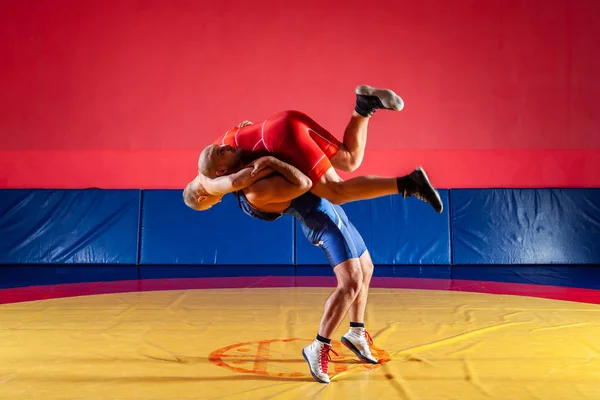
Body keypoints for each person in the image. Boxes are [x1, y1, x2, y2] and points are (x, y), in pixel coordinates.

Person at [201, 152, 384, 384]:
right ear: (222, 173)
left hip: (332, 210)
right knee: (351, 282)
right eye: (220, 152)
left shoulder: (246, 163)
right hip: (320, 221)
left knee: (366, 268)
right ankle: (318, 346)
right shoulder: (252, 191)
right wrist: (272, 161)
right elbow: (304, 182)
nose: (226, 146)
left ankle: (356, 333)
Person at [185, 85, 443, 213]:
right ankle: (365, 105)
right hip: (286, 118)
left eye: (212, 203)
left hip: (283, 138)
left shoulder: (210, 182)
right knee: (349, 159)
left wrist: (265, 165)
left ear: (202, 198)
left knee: (337, 192)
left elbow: (236, 180)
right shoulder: (217, 143)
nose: (218, 200)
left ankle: (410, 183)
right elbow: (244, 125)